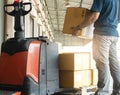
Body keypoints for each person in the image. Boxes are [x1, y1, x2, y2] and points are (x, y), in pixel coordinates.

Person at [72, 0, 120, 95]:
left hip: (102, 34)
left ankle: (103, 92)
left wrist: (78, 27)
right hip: (114, 34)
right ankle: (117, 90)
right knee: (114, 63)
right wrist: (111, 23)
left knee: (102, 62)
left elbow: (93, 17)